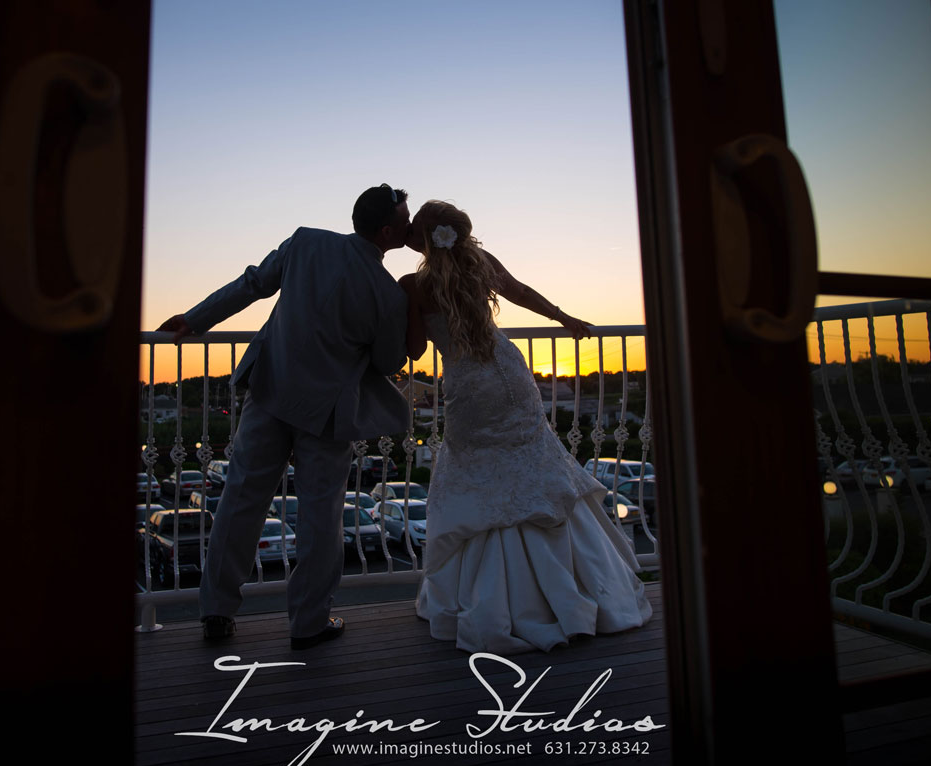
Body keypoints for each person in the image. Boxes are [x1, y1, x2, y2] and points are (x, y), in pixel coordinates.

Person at [157, 185, 413, 649]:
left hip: (270, 388)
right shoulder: (389, 295)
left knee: (239, 500)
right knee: (320, 516)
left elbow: (251, 283)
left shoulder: (306, 241)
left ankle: (216, 611)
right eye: (406, 219)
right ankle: (308, 623)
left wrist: (194, 321)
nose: (412, 226)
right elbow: (387, 362)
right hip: (327, 413)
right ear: (389, 232)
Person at [398, 200, 652, 654]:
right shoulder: (482, 264)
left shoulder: (413, 285)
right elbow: (521, 293)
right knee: (534, 462)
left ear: (424, 237)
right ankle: (575, 588)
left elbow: (415, 351)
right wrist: (564, 319)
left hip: (469, 389)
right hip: (511, 375)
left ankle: (502, 596)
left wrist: (403, 312)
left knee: (478, 472)